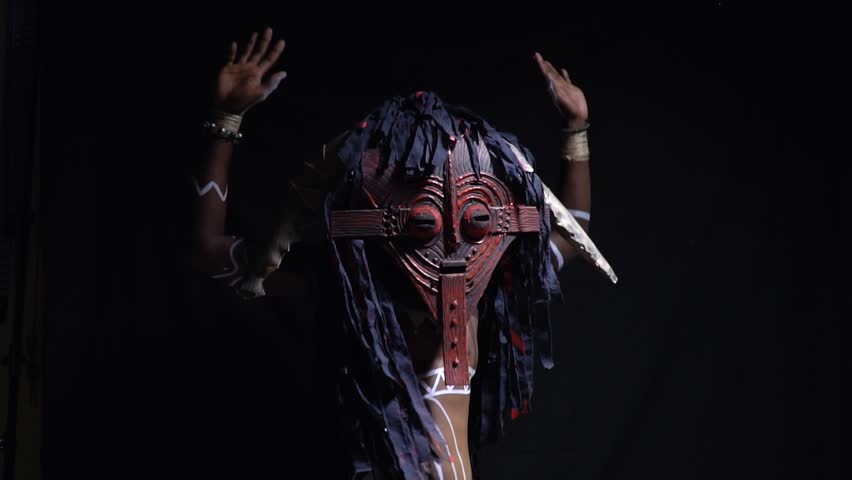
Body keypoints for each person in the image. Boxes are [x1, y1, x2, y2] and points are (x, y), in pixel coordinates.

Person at [189, 27, 616, 480]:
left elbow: (571, 233)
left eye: (474, 223)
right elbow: (210, 251)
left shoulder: (482, 293)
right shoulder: (345, 290)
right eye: (424, 223)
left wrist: (576, 128)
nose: (450, 247)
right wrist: (225, 121)